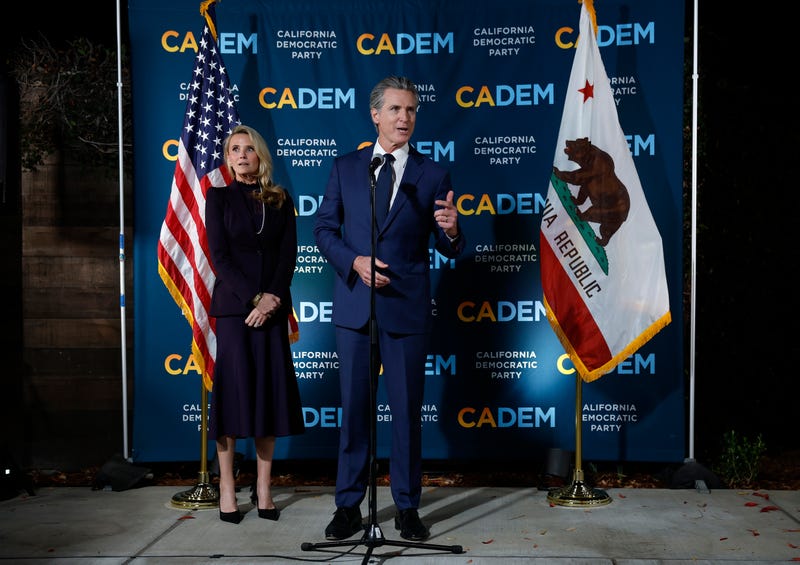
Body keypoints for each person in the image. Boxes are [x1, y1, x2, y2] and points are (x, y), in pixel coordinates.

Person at [314, 76, 465, 541]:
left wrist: (453, 230)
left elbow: (449, 246)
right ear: (375, 115)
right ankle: (348, 506)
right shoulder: (346, 167)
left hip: (406, 312)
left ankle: (406, 507)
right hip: (356, 311)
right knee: (354, 413)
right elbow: (323, 230)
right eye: (396, 110)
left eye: (412, 110)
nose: (405, 118)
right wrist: (354, 262)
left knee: (405, 414)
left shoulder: (433, 173)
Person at [205, 124, 305, 524]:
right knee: (232, 399)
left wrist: (272, 299)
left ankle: (264, 488)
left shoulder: (280, 200)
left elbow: (288, 256)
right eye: (234, 149)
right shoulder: (219, 198)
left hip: (273, 311)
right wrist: (253, 298)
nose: (242, 155)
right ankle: (227, 488)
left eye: (248, 149)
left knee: (268, 397)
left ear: (260, 155)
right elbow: (220, 256)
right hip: (234, 311)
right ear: (228, 159)